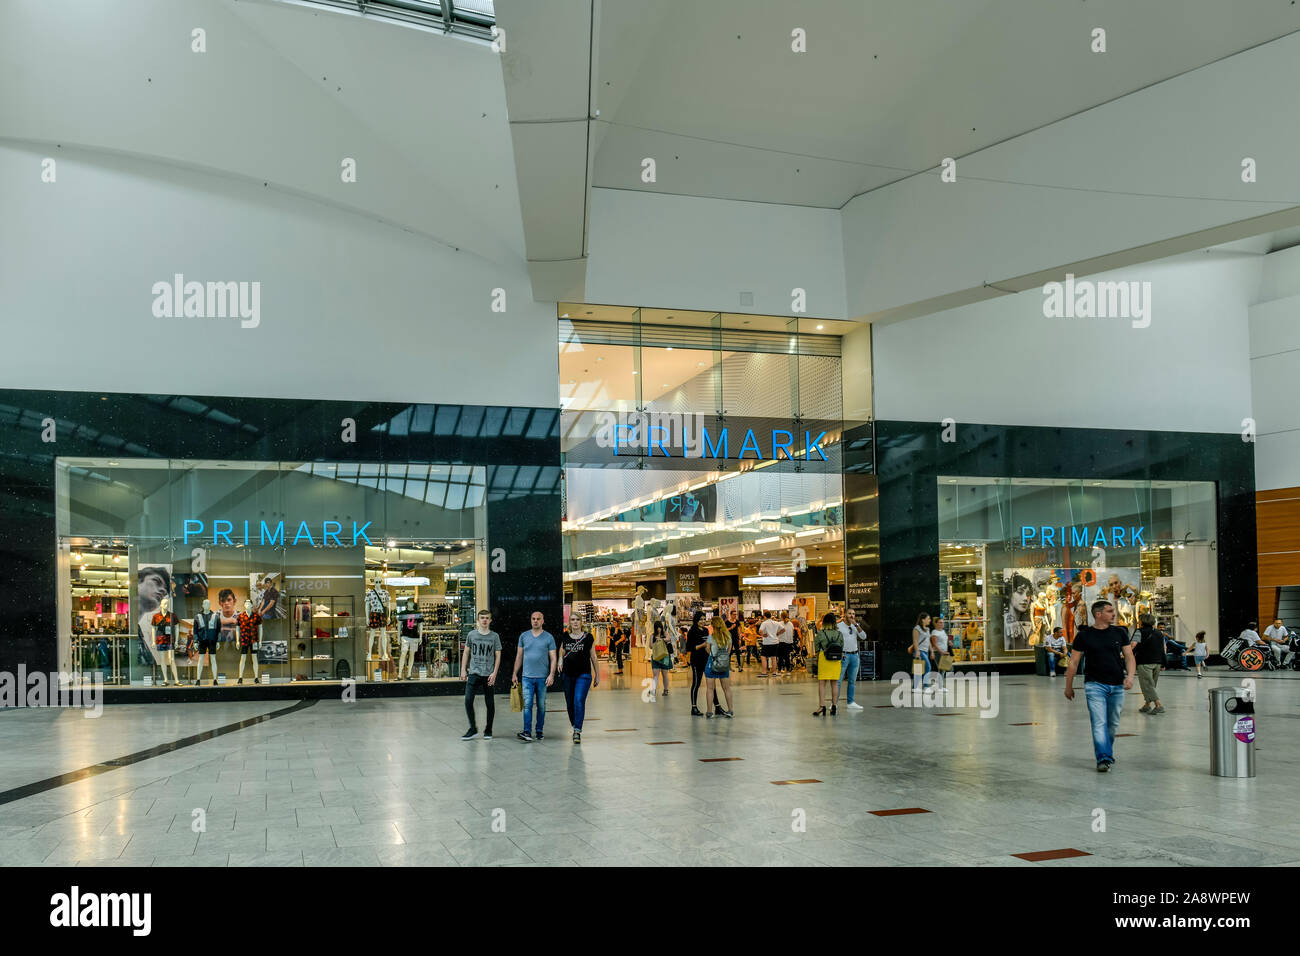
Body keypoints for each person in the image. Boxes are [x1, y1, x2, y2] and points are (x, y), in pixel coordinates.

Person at [1064, 600, 1136, 772]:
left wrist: (1131, 677)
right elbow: (1073, 662)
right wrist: (1069, 686)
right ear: (1098, 614)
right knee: (1099, 722)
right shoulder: (1084, 636)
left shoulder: (1120, 632)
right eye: (1110, 611)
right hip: (1094, 684)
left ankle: (1107, 752)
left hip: (1117, 685)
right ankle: (1103, 758)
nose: (1114, 614)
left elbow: (1129, 657)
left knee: (1112, 724)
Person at [511, 611, 556, 742]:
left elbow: (553, 658)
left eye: (538, 619)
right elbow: (519, 656)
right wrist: (514, 673)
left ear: (543, 621)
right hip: (526, 677)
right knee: (528, 705)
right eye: (533, 619)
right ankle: (527, 732)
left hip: (542, 678)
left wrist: (551, 675)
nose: (535, 621)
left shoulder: (549, 637)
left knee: (541, 706)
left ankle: (539, 731)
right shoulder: (524, 636)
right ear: (531, 620)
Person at [460, 609, 500, 740]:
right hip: (474, 673)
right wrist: (463, 669)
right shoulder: (472, 635)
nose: (484, 620)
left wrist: (494, 673)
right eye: (482, 618)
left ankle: (488, 729)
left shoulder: (494, 636)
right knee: (468, 701)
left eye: (487, 618)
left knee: (490, 703)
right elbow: (466, 652)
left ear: (490, 620)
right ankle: (473, 728)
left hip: (488, 674)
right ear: (478, 620)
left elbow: (498, 655)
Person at [558, 619, 598, 744]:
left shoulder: (588, 637)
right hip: (567, 674)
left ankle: (577, 730)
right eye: (573, 620)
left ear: (581, 622)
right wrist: (560, 659)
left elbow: (593, 656)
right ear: (570, 623)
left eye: (577, 620)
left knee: (578, 700)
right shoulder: (565, 636)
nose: (575, 622)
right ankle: (575, 723)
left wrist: (597, 674)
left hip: (584, 674)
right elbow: (562, 650)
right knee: (570, 703)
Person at [1130, 613, 1166, 716]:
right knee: (1151, 685)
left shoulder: (1139, 632)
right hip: (1157, 662)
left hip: (1145, 662)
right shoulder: (1159, 633)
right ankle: (1147, 705)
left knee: (1147, 685)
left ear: (1142, 621)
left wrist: (1125, 655)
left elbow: (1133, 645)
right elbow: (1163, 648)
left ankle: (1158, 705)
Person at [812, 612, 844, 716]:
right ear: (835, 622)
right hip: (836, 660)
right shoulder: (839, 634)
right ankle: (834, 706)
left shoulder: (821, 633)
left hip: (824, 658)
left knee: (822, 684)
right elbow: (842, 647)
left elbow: (816, 649)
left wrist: (818, 658)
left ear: (824, 622)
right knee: (834, 684)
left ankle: (822, 707)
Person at [704, 615, 734, 718]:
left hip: (712, 663)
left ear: (713, 625)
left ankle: (709, 712)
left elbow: (707, 649)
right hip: (724, 663)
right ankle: (730, 710)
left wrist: (713, 655)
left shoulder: (711, 637)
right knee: (726, 688)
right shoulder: (728, 636)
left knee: (710, 688)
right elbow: (729, 650)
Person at [837, 609, 864, 710]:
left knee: (852, 681)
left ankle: (851, 702)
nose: (852, 615)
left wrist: (856, 625)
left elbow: (864, 636)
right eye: (850, 613)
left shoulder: (856, 626)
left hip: (854, 656)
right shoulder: (839, 626)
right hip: (843, 655)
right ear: (844, 615)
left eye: (853, 614)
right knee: (838, 681)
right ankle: (834, 703)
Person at [685, 610, 711, 716]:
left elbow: (708, 644)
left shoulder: (706, 630)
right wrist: (702, 645)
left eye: (704, 619)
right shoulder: (692, 631)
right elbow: (689, 648)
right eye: (701, 619)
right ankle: (694, 707)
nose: (703, 621)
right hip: (696, 661)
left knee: (710, 684)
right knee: (696, 684)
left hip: (706, 659)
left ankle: (717, 706)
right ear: (696, 620)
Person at [648, 620, 673, 699]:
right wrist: (656, 642)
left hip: (665, 656)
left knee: (665, 674)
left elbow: (669, 639)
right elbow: (650, 646)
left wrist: (662, 639)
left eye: (660, 627)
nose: (659, 629)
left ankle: (666, 690)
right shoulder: (652, 635)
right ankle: (653, 689)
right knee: (655, 675)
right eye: (657, 628)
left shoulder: (665, 633)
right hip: (656, 656)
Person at [909, 613, 932, 692]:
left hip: (926, 651)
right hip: (920, 651)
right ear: (923, 620)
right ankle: (925, 686)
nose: (930, 620)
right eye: (928, 619)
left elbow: (929, 642)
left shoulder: (928, 629)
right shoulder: (917, 628)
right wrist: (917, 651)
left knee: (918, 669)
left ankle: (914, 687)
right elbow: (915, 641)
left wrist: (931, 651)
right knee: (928, 667)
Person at [758, 610, 781, 678]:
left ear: (765, 616)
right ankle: (774, 673)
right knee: (774, 657)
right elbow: (783, 629)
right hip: (775, 642)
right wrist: (777, 633)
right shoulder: (776, 622)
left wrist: (763, 635)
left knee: (763, 657)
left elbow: (760, 631)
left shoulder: (764, 623)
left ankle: (764, 672)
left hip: (767, 643)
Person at [929, 616, 950, 689]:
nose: (942, 624)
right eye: (940, 622)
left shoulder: (943, 631)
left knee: (943, 669)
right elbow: (934, 644)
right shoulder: (935, 632)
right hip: (938, 652)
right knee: (942, 669)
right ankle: (940, 686)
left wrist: (949, 643)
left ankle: (937, 684)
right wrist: (941, 652)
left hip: (944, 652)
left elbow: (944, 641)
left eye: (943, 622)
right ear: (936, 624)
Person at [778, 611, 796, 676]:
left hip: (781, 642)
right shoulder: (791, 624)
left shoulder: (779, 623)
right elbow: (793, 633)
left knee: (780, 657)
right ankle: (788, 671)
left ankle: (779, 670)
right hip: (789, 643)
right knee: (787, 657)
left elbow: (777, 632)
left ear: (781, 616)